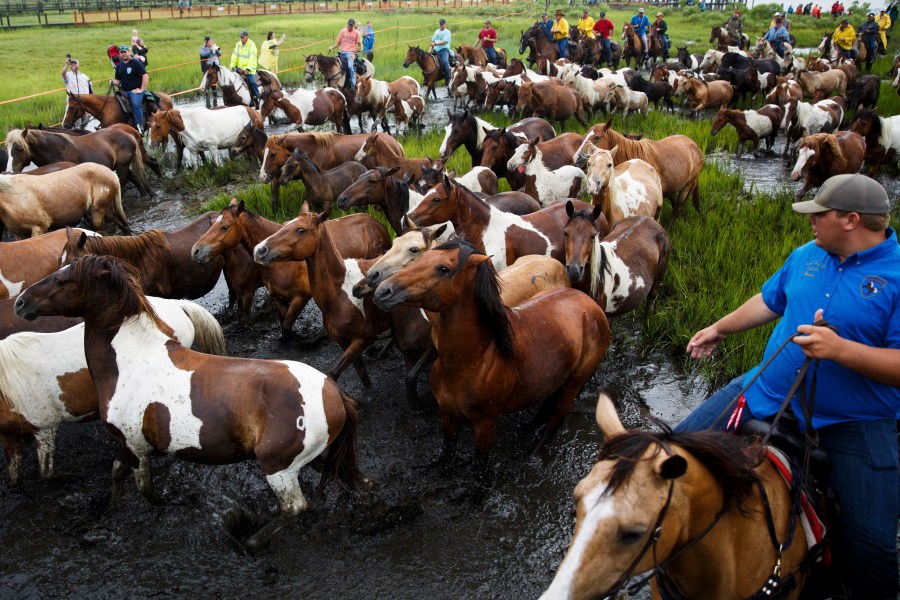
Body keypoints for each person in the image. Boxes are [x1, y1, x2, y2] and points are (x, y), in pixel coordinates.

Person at [678, 174, 900, 600]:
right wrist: (718, 329)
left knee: (872, 553)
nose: (811, 223)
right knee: (670, 450)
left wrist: (840, 350)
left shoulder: (896, 279)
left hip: (853, 421)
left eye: (820, 214)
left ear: (851, 219)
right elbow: (769, 300)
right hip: (765, 389)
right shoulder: (806, 255)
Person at [112, 45, 148, 132]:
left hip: (135, 91)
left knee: (135, 105)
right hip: (123, 91)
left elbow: (145, 75)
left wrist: (142, 89)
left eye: (125, 52)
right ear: (119, 54)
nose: (123, 54)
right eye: (121, 52)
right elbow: (118, 81)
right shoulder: (119, 66)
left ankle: (140, 126)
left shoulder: (135, 63)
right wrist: (113, 82)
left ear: (129, 53)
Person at [329, 19, 361, 88]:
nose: (350, 26)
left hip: (350, 53)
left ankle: (353, 82)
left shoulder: (357, 33)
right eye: (349, 25)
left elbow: (359, 46)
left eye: (352, 25)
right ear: (347, 24)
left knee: (350, 66)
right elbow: (338, 44)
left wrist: (354, 53)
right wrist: (332, 47)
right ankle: (331, 80)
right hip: (341, 52)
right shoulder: (342, 31)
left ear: (353, 25)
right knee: (334, 65)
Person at [230, 30, 259, 105]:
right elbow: (234, 56)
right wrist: (231, 66)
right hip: (239, 69)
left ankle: (257, 98)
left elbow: (252, 57)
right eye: (240, 36)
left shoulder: (252, 45)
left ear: (247, 37)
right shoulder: (238, 44)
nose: (241, 38)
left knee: (252, 82)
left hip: (249, 70)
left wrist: (248, 69)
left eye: (242, 36)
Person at [199, 35, 221, 108]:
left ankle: (215, 99)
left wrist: (217, 50)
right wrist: (210, 50)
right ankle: (207, 99)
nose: (211, 42)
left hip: (215, 67)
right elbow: (203, 54)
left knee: (214, 82)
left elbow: (220, 54)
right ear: (206, 42)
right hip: (207, 68)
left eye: (212, 41)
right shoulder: (202, 48)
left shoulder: (215, 46)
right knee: (207, 82)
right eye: (209, 41)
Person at [430, 18, 452, 86]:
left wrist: (435, 44)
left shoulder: (447, 32)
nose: (441, 25)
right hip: (436, 50)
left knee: (445, 62)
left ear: (445, 24)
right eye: (440, 24)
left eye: (442, 24)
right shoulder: (436, 31)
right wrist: (429, 51)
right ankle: (428, 78)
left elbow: (444, 41)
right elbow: (432, 41)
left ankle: (448, 79)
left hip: (444, 49)